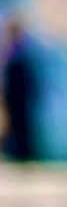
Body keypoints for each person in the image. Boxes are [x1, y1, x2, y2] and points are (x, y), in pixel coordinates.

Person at [2, 18, 39, 163]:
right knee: (14, 126)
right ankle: (16, 153)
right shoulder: (11, 51)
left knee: (21, 126)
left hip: (20, 97)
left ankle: (22, 154)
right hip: (14, 97)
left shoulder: (20, 51)